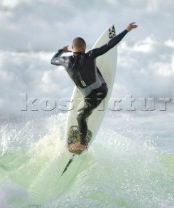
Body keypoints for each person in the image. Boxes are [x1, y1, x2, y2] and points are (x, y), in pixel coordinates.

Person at [51, 22, 138, 152]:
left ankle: (83, 142)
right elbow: (110, 45)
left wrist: (61, 51)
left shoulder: (65, 61)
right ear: (84, 48)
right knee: (81, 117)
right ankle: (82, 141)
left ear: (72, 47)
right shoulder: (90, 55)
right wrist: (126, 30)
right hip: (101, 91)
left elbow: (53, 60)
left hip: (90, 96)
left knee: (81, 116)